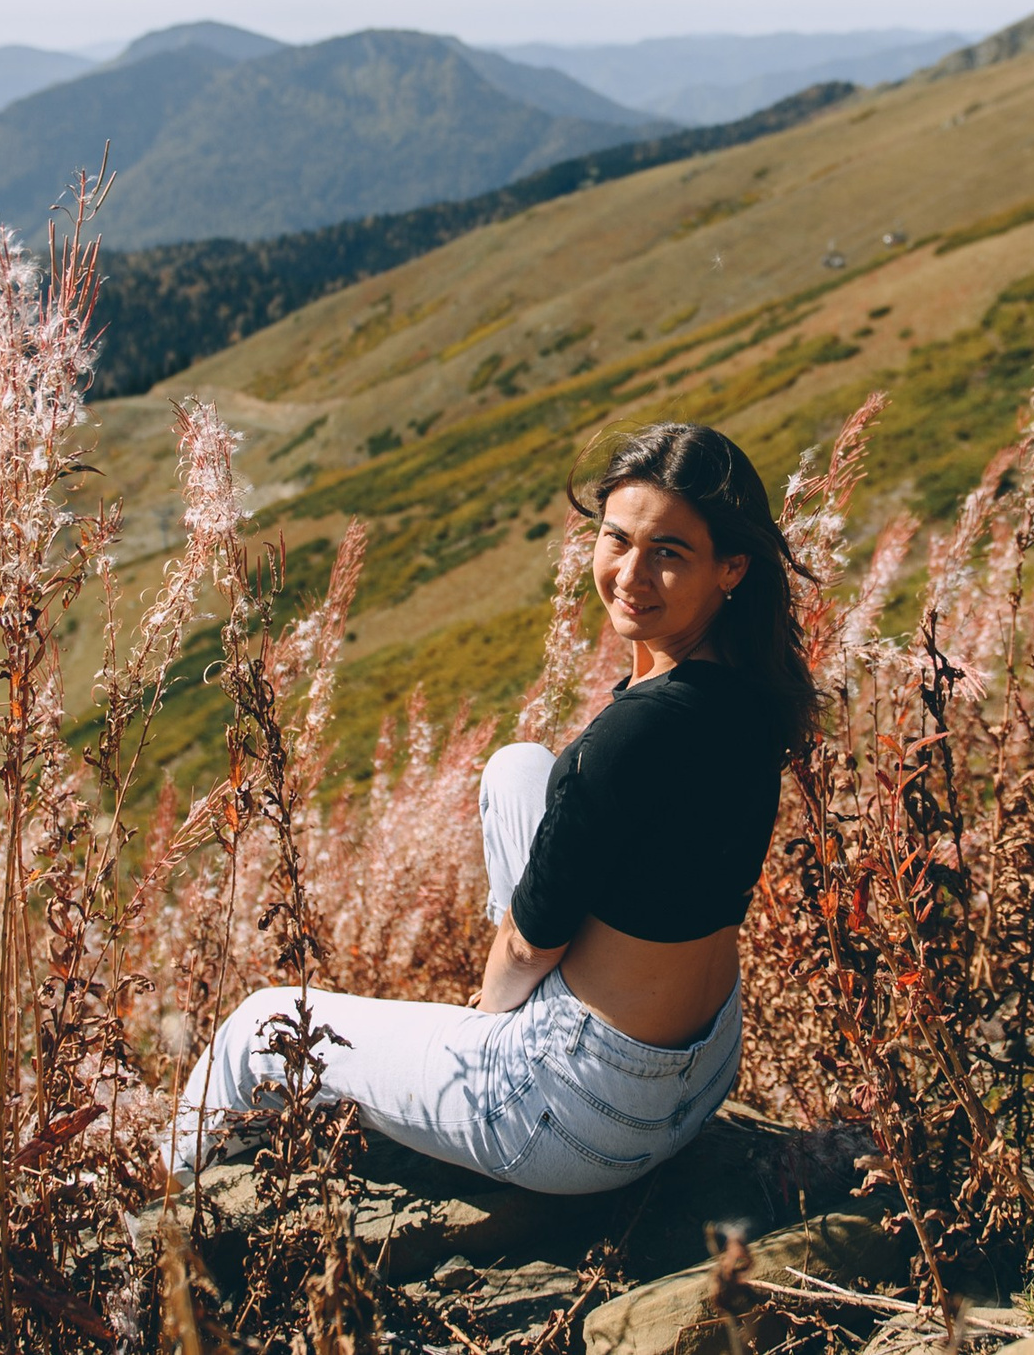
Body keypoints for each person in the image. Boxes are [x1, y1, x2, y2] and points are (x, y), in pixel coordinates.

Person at [165, 422, 820, 1195]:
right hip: (703, 1067)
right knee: (519, 770)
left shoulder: (634, 735)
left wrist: (487, 1016)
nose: (631, 574)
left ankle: (162, 1223)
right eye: (617, 541)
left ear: (731, 568)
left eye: (668, 554)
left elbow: (526, 948)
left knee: (256, 1029)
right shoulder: (755, 692)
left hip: (585, 1115)